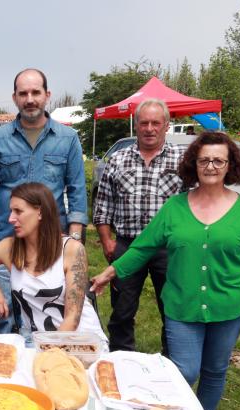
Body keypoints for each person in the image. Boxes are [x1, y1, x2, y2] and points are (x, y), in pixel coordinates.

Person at [90, 131, 240, 410]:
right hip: (181, 305)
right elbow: (143, 247)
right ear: (194, 165)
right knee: (184, 370)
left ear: (230, 165)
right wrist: (109, 273)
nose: (211, 167)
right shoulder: (175, 207)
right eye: (204, 160)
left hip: (229, 306)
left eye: (218, 161)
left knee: (214, 369)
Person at [0, 68, 87, 333]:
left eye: (35, 92)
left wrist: (74, 239)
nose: (30, 99)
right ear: (14, 98)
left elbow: (77, 190)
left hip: (51, 247)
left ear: (47, 95)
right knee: (3, 316)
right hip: (8, 241)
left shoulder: (67, 139)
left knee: (49, 318)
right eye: (23, 93)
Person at [92, 98, 185, 354]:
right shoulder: (118, 159)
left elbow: (194, 203)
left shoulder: (183, 159)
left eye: (156, 123)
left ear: (167, 125)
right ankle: (121, 359)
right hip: (127, 244)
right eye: (144, 123)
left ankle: (173, 361)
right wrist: (107, 240)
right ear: (136, 125)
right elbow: (103, 204)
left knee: (172, 308)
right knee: (121, 309)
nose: (149, 128)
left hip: (169, 248)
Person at [0, 182, 106, 343]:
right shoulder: (9, 248)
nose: (11, 219)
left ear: (40, 212)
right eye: (11, 211)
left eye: (18, 211)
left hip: (81, 342)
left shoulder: (71, 250)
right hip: (40, 344)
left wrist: (47, 354)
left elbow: (72, 320)